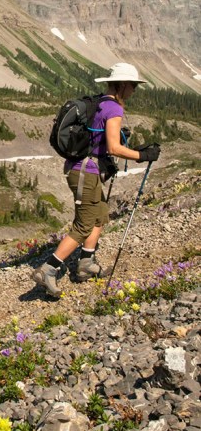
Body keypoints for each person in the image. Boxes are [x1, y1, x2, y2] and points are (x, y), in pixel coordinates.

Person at [33, 63, 160, 299]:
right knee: (84, 224)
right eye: (132, 86)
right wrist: (143, 155)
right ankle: (48, 269)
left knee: (100, 215)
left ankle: (86, 263)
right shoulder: (114, 109)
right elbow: (113, 147)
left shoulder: (101, 102)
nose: (134, 90)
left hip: (82, 168)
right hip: (86, 172)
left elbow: (100, 138)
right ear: (123, 85)